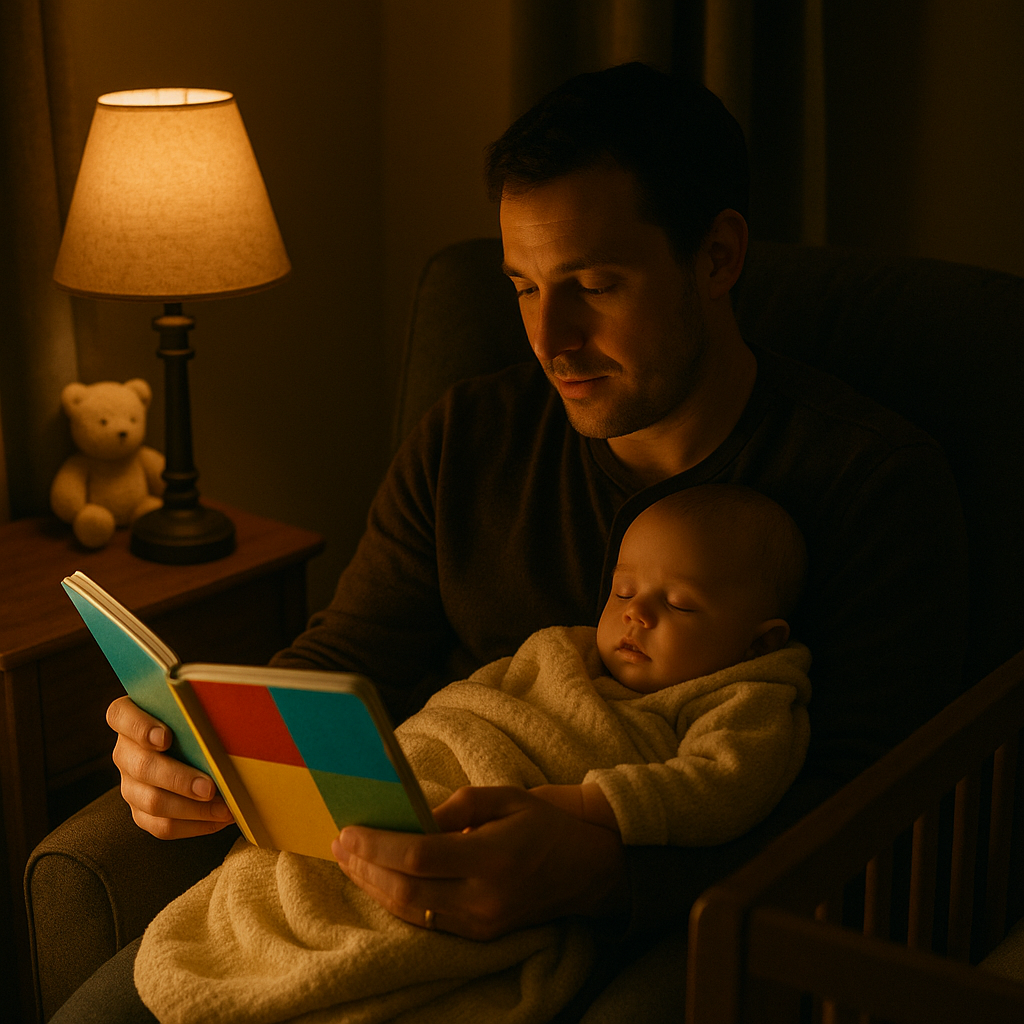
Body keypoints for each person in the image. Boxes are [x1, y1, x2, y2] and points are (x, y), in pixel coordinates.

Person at [89, 61, 967, 1021]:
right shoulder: (473, 433)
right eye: (523, 287)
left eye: (594, 285)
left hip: (642, 919)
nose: (552, 338)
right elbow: (353, 652)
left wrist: (604, 871)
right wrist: (206, 746)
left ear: (717, 257)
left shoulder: (868, 480)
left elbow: (871, 813)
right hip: (403, 854)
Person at [131, 485, 813, 1024]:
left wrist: (589, 807)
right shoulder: (558, 650)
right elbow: (458, 705)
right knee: (283, 879)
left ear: (759, 641)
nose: (636, 615)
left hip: (491, 839)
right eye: (625, 591)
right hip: (409, 772)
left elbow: (724, 785)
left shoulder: (745, 696)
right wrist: (222, 743)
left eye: (681, 605)